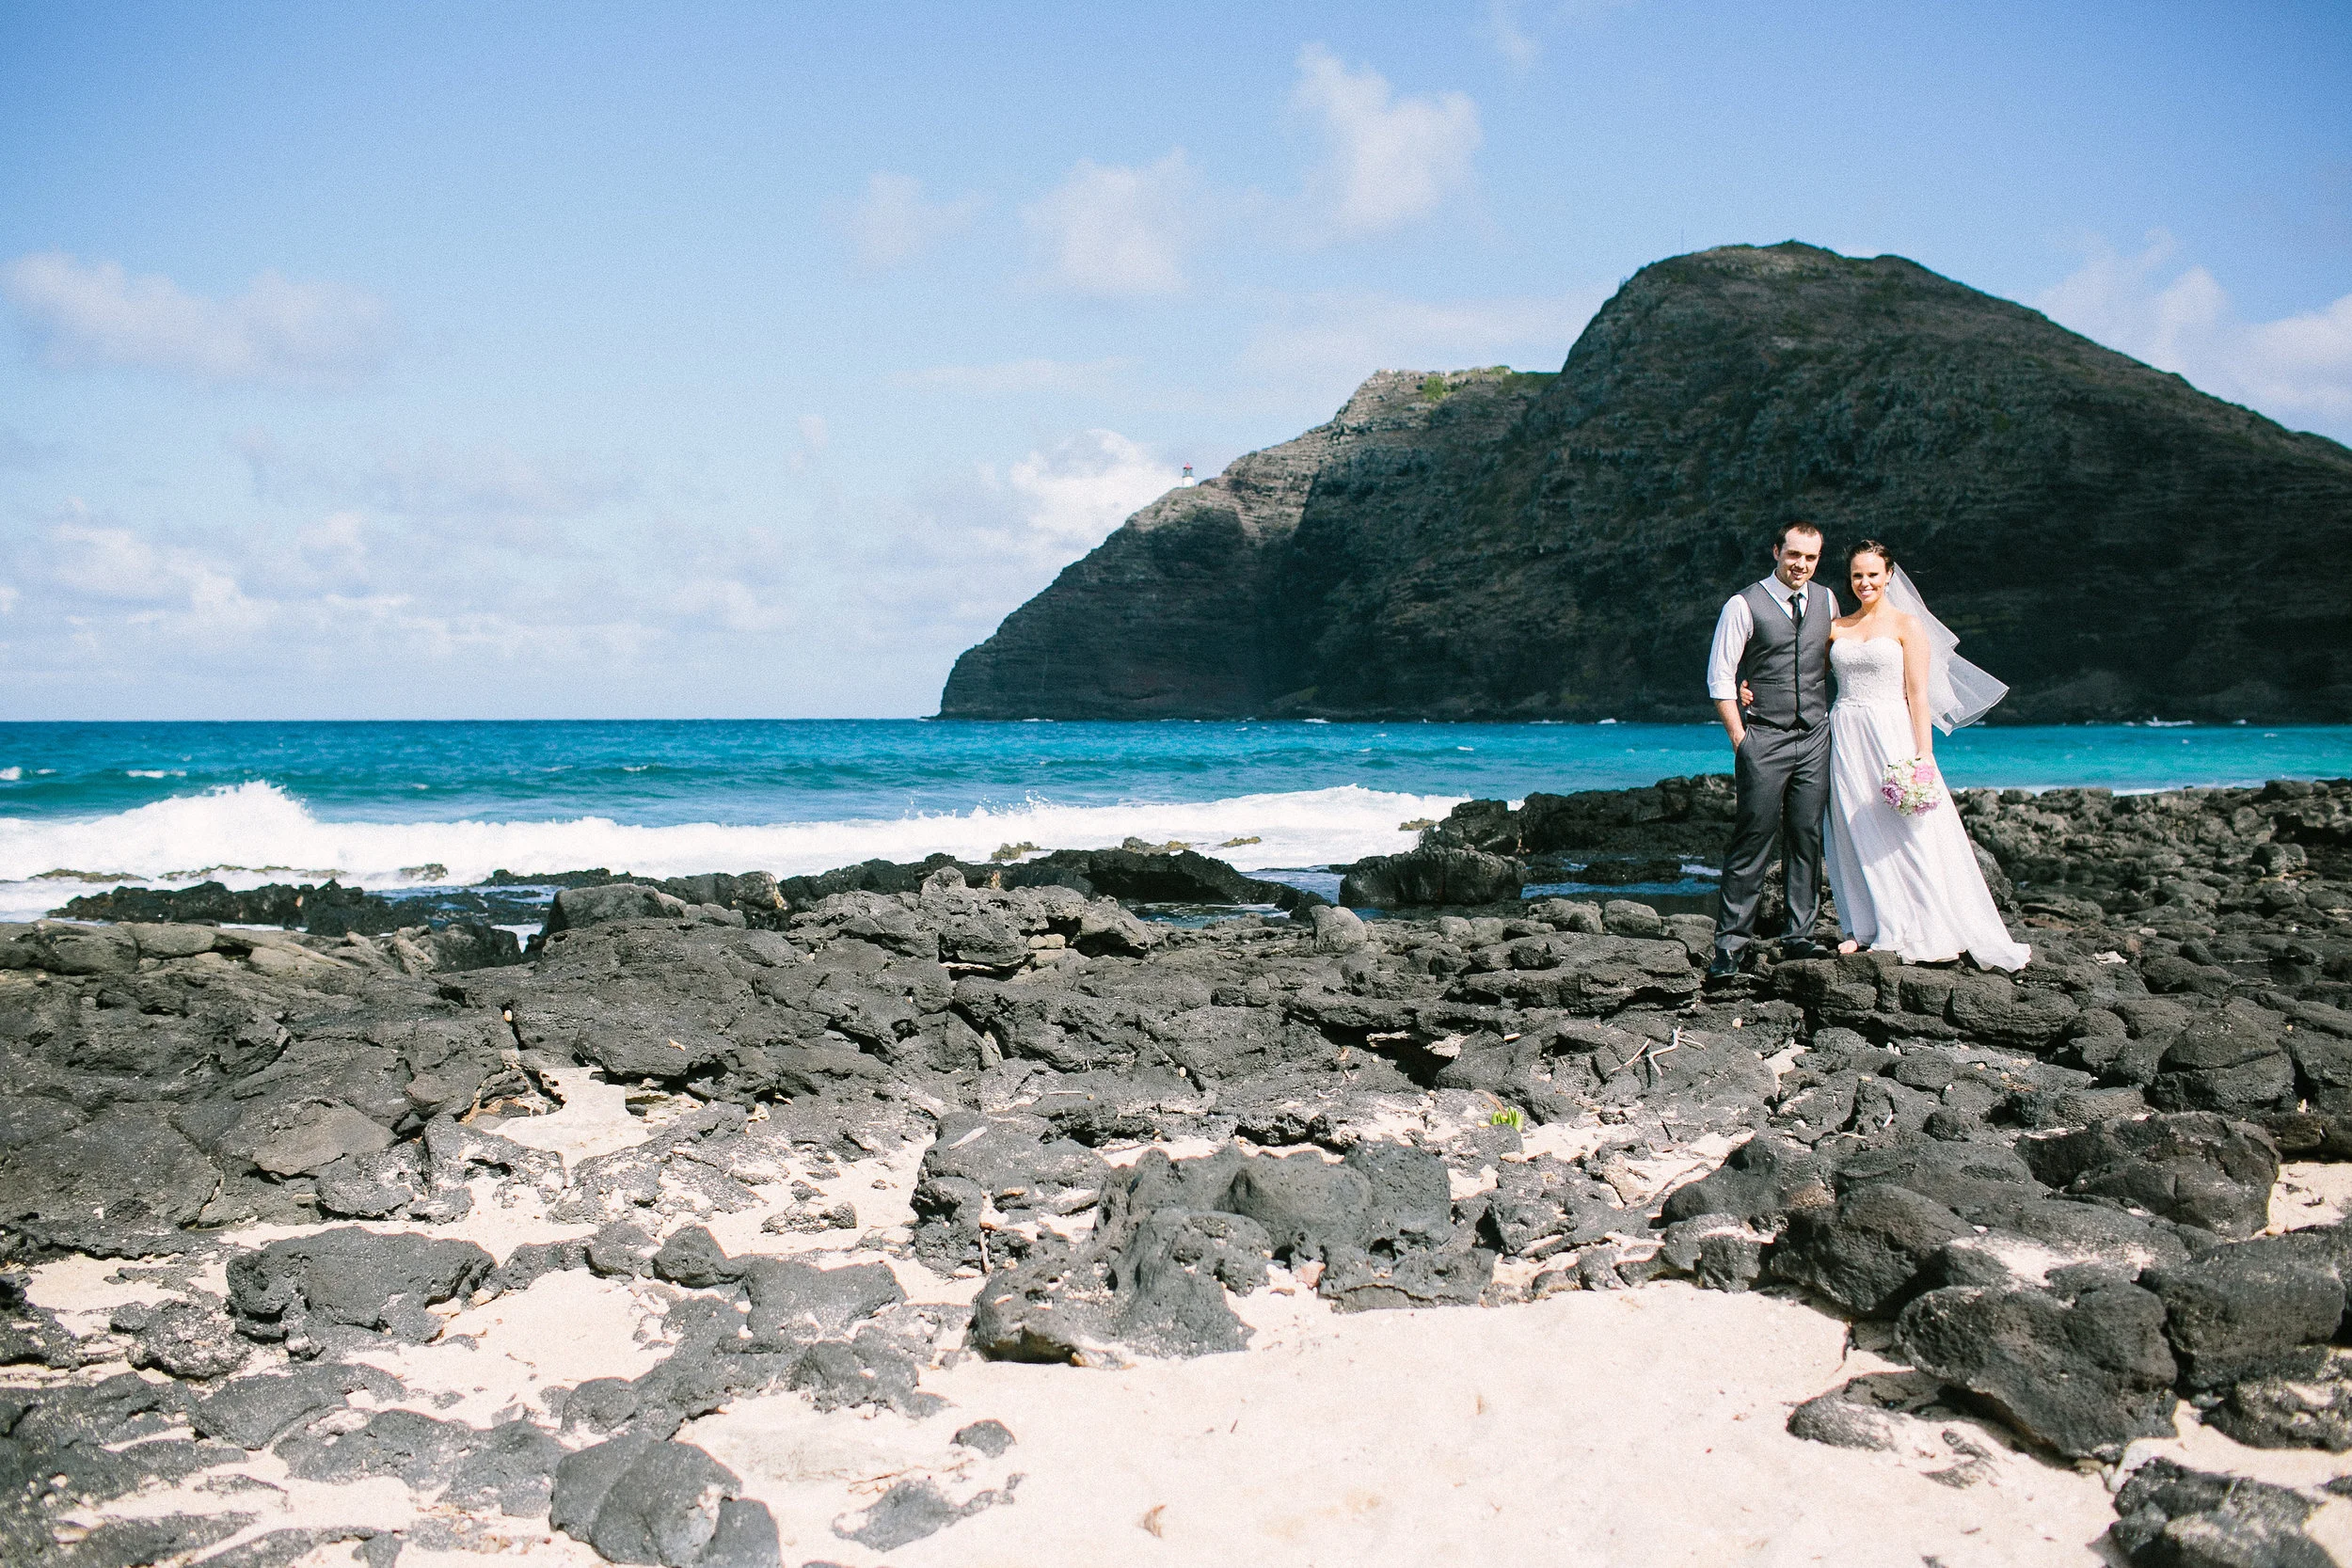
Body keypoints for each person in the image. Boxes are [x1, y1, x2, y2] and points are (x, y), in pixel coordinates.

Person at [1818, 540, 2029, 970]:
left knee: (1908, 831)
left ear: (1890, 576)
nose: (1865, 583)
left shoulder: (1907, 625)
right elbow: (1804, 677)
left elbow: (1917, 694)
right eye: (1858, 575)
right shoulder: (1836, 627)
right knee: (1855, 829)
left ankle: (1930, 924)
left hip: (1890, 730)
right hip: (1845, 732)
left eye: (1873, 574)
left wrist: (1924, 756)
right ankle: (1869, 926)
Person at [1705, 521, 1837, 978]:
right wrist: (1742, 740)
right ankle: (1730, 946)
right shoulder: (1743, 604)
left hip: (1816, 736)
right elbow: (1721, 679)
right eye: (1793, 554)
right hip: (1763, 737)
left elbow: (1822, 663)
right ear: (1776, 551)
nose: (1801, 564)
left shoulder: (1827, 600)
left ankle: (1800, 935)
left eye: (1811, 557)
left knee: (1807, 835)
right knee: (1753, 837)